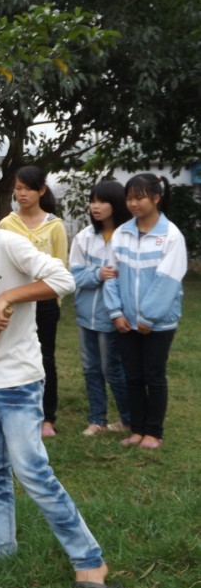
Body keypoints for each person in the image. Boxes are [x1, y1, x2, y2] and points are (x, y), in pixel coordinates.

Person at [0, 174, 118, 588]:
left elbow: (63, 280)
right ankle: (1, 547)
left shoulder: (6, 243)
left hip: (18, 381)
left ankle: (90, 560)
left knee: (32, 471)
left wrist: (9, 297)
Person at [104, 174, 186, 450]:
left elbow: (168, 281)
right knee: (133, 376)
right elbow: (111, 275)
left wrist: (149, 317)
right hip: (126, 321)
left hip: (158, 323)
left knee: (154, 375)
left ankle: (154, 432)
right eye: (129, 198)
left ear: (156, 198)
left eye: (139, 198)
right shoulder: (122, 233)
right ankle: (137, 429)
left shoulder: (171, 235)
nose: (133, 203)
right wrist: (116, 312)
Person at [0, 165, 67, 438]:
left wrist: (52, 299)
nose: (22, 194)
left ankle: (47, 417)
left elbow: (61, 268)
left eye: (28, 188)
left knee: (45, 357)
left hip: (45, 303)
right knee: (13, 356)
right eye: (18, 188)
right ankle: (16, 412)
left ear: (41, 191)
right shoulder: (6, 225)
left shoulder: (55, 226)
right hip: (14, 301)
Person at [70, 181, 132, 436]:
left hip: (113, 316)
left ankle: (128, 419)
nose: (95, 206)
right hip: (86, 315)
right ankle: (97, 419)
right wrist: (97, 274)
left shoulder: (128, 237)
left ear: (116, 204)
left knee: (112, 369)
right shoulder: (84, 237)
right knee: (90, 368)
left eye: (102, 201)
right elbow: (73, 275)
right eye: (92, 201)